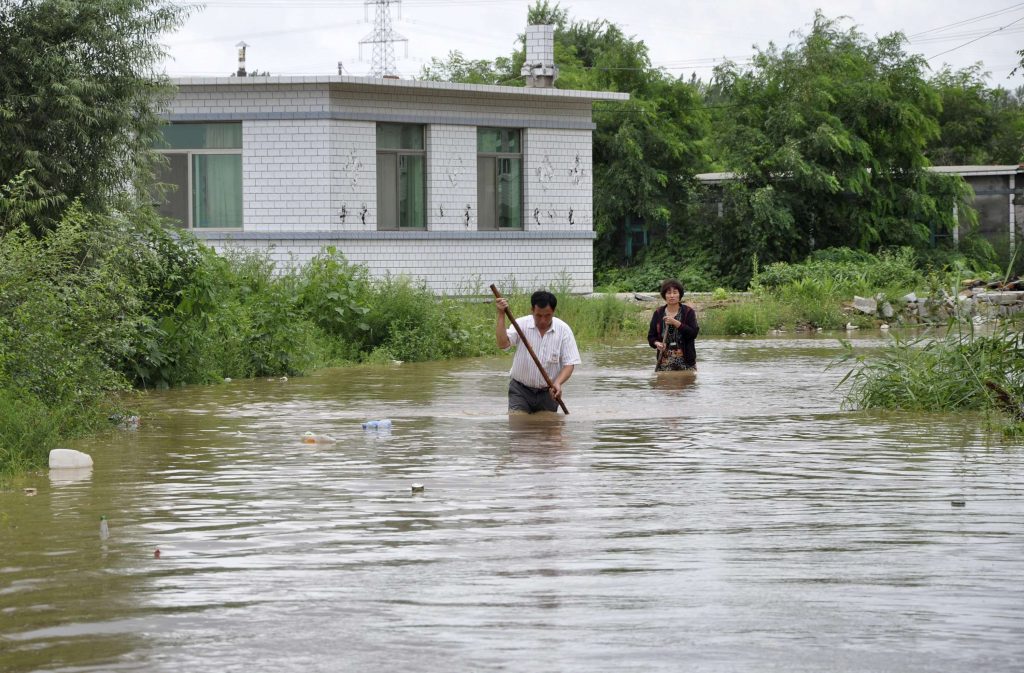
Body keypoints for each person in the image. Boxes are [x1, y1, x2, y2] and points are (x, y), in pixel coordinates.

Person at [495, 290, 581, 414]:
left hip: (548, 393)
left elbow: (570, 364)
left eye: (547, 315)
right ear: (532, 310)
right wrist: (501, 314)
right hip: (520, 390)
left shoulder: (564, 330)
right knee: (517, 424)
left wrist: (558, 383)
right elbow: (502, 344)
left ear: (554, 312)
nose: (543, 320)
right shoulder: (520, 324)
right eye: (538, 315)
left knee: (548, 429)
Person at [647, 279, 699, 372]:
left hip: (686, 360)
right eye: (668, 293)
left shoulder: (688, 312)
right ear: (664, 296)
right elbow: (651, 337)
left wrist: (675, 323)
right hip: (664, 361)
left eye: (675, 292)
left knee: (687, 385)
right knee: (664, 385)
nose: (672, 296)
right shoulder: (658, 313)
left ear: (680, 295)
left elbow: (693, 333)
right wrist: (657, 343)